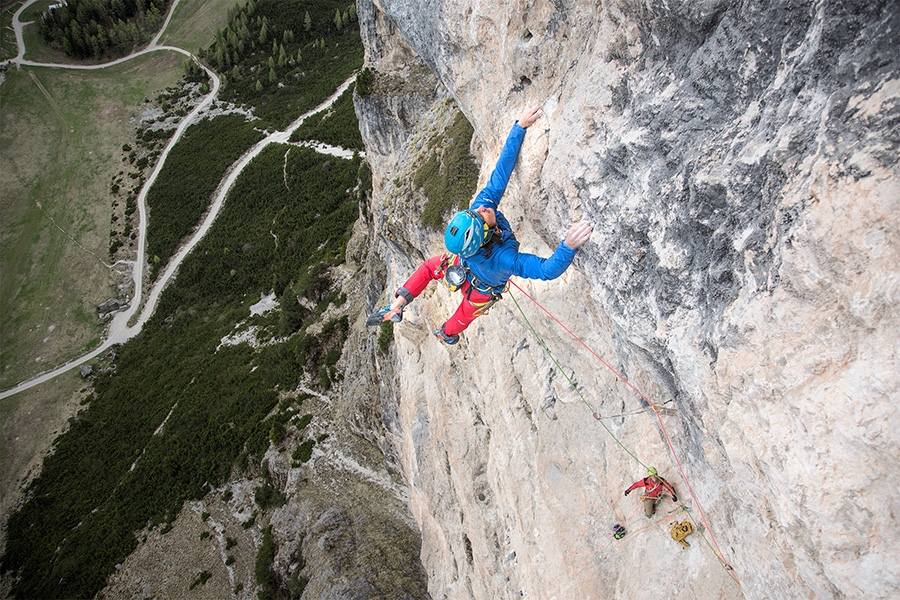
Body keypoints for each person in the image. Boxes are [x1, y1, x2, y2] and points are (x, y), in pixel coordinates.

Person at [366, 105, 594, 344]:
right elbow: (547, 270)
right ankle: (445, 333)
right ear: (482, 233)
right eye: (480, 213)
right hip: (481, 289)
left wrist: (519, 127)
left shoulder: (480, 212)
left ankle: (400, 303)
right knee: (463, 316)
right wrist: (568, 246)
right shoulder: (504, 260)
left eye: (477, 211)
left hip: (461, 265)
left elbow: (500, 175)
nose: (482, 208)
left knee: (428, 269)